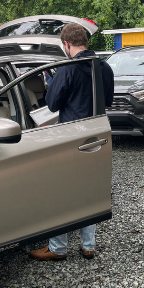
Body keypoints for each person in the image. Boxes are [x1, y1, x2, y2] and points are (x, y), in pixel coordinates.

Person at [29, 23, 114, 261]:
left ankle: (58, 248)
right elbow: (107, 100)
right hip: (98, 135)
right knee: (90, 189)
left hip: (71, 137)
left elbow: (53, 104)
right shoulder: (104, 67)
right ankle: (88, 245)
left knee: (62, 191)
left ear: (66, 44)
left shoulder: (67, 69)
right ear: (84, 41)